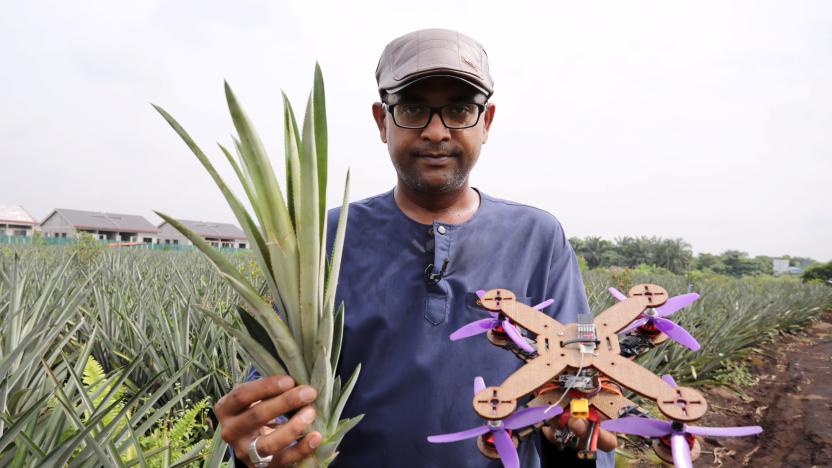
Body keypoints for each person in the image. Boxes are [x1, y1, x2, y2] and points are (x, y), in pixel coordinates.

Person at [215, 28, 617, 467]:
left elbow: (577, 381)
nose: (436, 131)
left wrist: (581, 431)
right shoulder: (325, 238)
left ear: (487, 122)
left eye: (460, 109)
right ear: (382, 120)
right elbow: (271, 406)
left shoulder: (538, 237)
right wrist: (257, 440)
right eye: (412, 108)